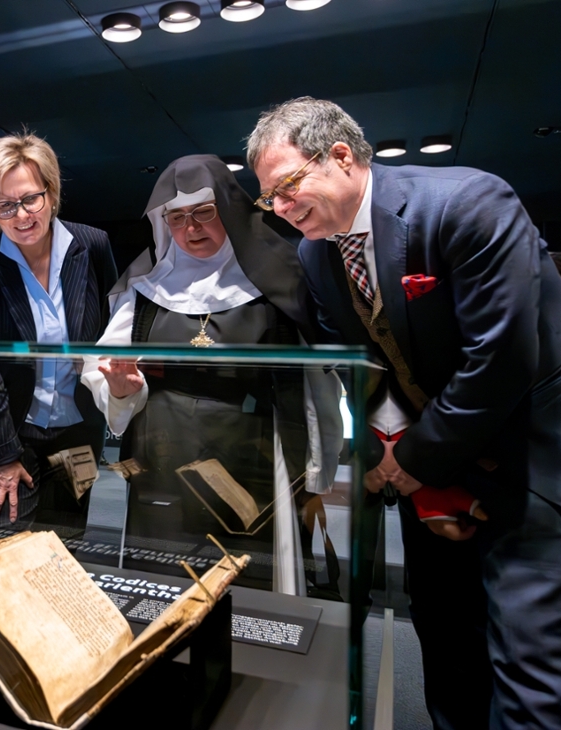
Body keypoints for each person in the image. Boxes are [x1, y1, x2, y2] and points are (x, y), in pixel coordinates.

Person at [248, 97, 561, 730]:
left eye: (285, 188)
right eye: (268, 200)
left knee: (529, 665)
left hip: (524, 464)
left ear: (339, 156)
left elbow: (500, 361)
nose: (279, 210)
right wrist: (385, 456)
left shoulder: (467, 204)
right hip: (426, 471)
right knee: (447, 644)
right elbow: (365, 367)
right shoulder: (316, 253)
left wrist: (410, 460)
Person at [80, 155, 342, 590]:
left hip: (251, 454)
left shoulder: (278, 282)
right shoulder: (144, 288)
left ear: (230, 212)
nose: (191, 228)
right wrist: (123, 391)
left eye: (204, 212)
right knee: (162, 578)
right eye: (177, 217)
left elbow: (315, 385)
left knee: (245, 581)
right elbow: (104, 368)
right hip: (159, 455)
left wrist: (317, 473)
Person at [0, 132, 118, 539]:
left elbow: (112, 333)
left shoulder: (93, 246)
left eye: (31, 199)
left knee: (66, 549)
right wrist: (2, 456)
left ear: (51, 191)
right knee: (4, 554)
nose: (22, 216)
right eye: (5, 205)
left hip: (79, 431)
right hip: (11, 433)